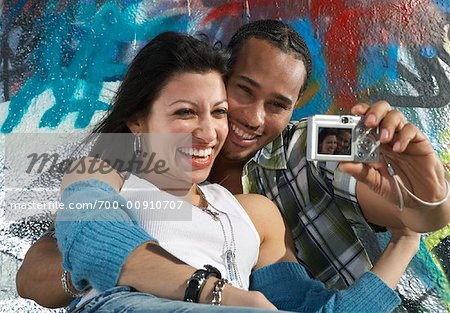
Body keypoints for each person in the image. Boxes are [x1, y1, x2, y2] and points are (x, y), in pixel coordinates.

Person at [16, 20, 450, 311]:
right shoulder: (109, 171)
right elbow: (70, 253)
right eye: (186, 111)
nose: (213, 130)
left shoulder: (267, 194)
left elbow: (417, 214)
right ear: (137, 119)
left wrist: (413, 226)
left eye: (217, 112)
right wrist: (218, 294)